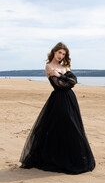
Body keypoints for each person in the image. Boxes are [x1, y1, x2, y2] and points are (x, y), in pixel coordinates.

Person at [19, 42, 96, 174]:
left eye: (63, 54)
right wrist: (65, 79)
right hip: (59, 101)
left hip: (70, 100)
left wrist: (60, 75)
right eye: (59, 52)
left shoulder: (65, 67)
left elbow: (73, 82)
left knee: (74, 127)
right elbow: (61, 85)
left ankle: (73, 158)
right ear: (54, 52)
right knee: (62, 126)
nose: (61, 56)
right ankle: (57, 159)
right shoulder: (49, 67)